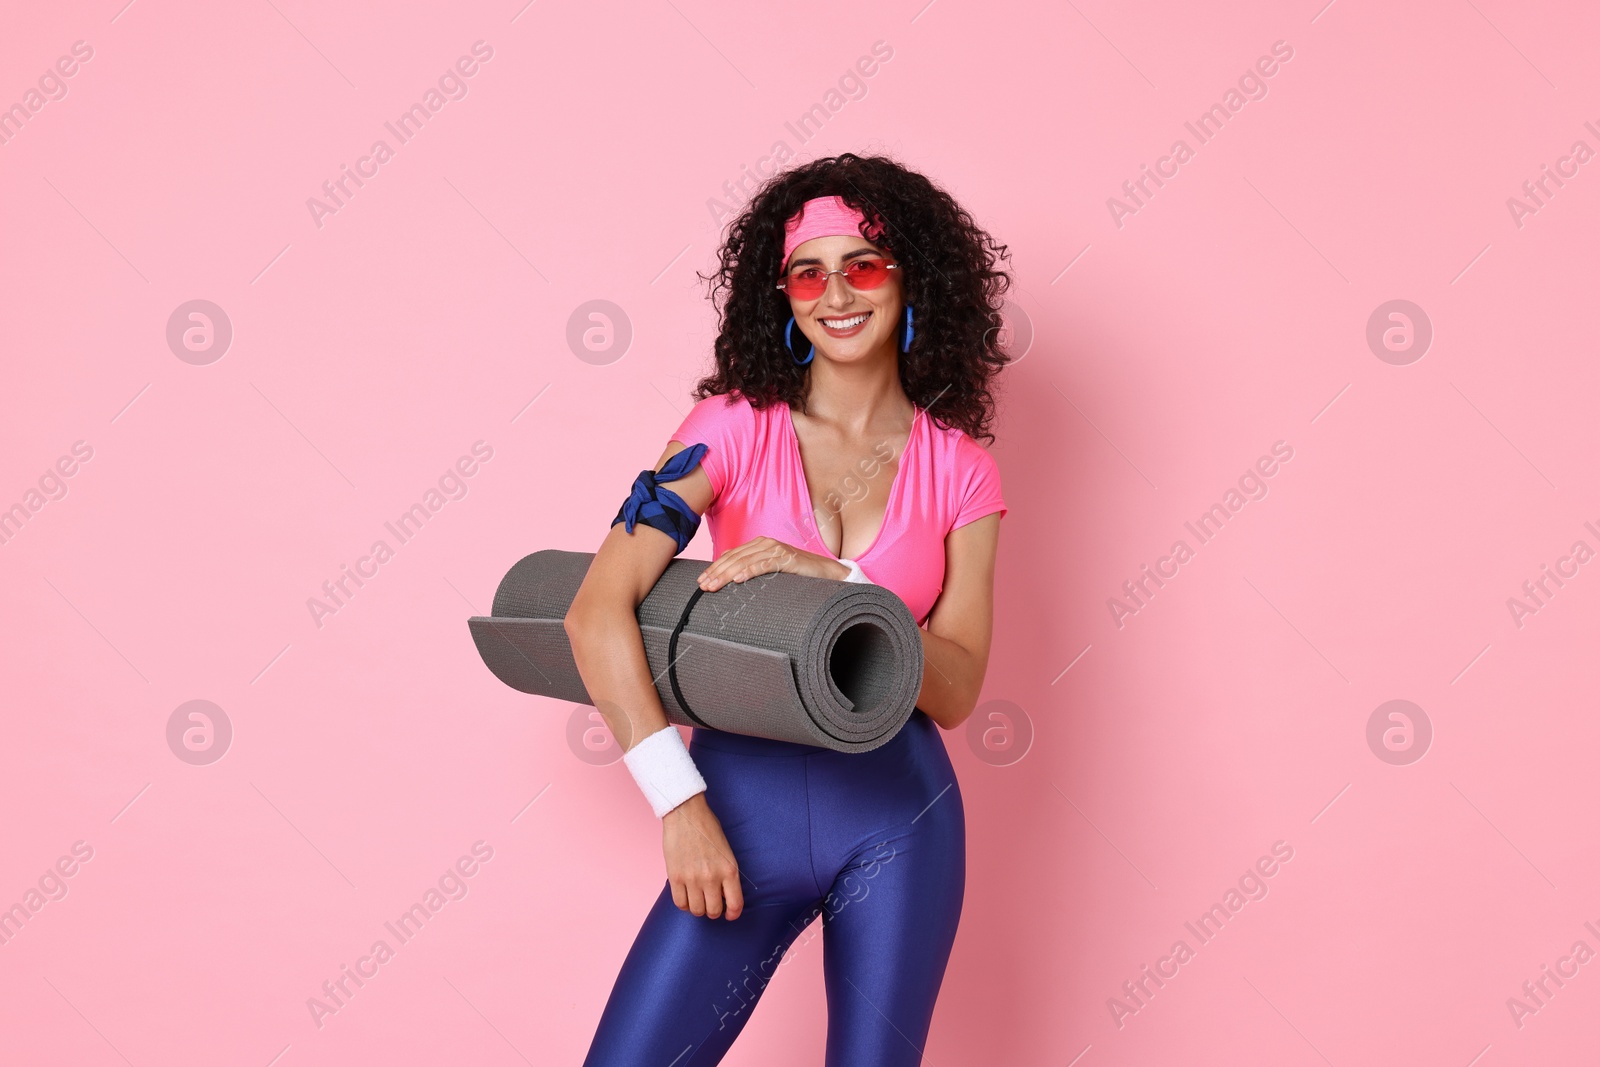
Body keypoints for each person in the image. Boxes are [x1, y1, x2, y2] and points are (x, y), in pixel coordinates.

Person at [566, 151, 1013, 1066]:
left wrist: (840, 585)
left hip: (900, 821)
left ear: (912, 279)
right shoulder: (726, 431)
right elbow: (594, 611)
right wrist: (676, 804)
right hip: (734, 812)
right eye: (808, 270)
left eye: (865, 265)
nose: (835, 291)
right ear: (783, 294)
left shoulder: (961, 469)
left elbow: (959, 685)